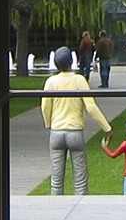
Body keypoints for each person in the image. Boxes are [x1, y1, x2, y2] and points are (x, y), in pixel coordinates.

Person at [41, 46, 112, 195]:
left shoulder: (51, 82)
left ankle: (56, 208)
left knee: (56, 178)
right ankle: (79, 207)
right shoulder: (79, 80)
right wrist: (106, 127)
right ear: (71, 61)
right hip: (75, 131)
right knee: (80, 179)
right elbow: (91, 107)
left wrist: (49, 123)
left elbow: (45, 107)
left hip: (56, 131)